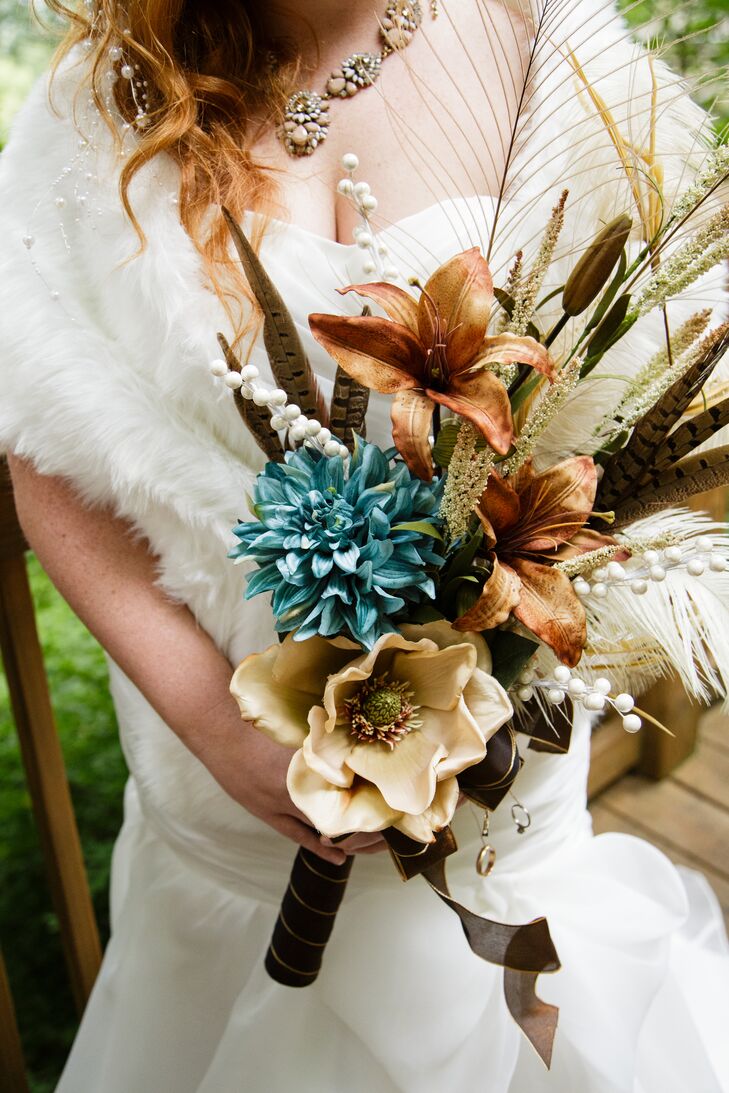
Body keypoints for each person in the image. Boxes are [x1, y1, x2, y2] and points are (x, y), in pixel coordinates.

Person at [1, 1, 728, 1089]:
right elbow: (42, 435)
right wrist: (212, 721)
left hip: (501, 819)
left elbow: (662, 379)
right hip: (236, 830)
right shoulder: (102, 97)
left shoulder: (545, 39)